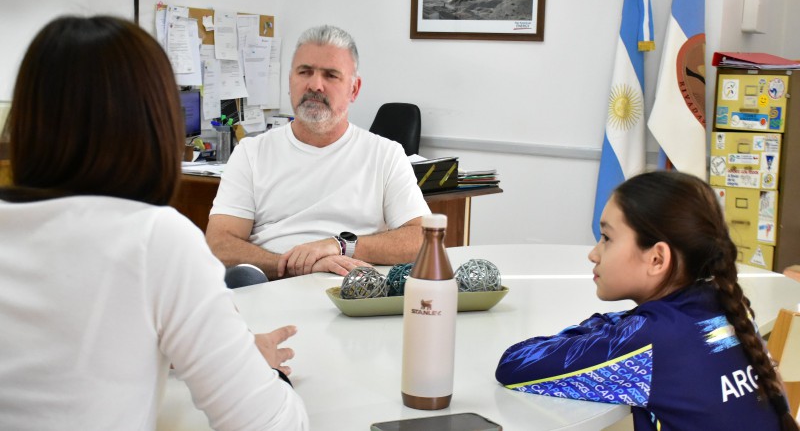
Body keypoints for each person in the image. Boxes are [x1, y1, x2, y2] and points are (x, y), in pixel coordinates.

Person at [0, 16, 308, 430]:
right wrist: (259, 369)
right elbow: (272, 424)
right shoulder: (154, 239)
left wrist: (191, 346)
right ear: (155, 122)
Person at [495, 171, 799, 431]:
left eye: (607, 238)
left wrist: (609, 325)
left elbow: (515, 364)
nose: (594, 253)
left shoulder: (650, 340)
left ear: (657, 259)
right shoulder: (727, 305)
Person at [205, 25, 430, 286]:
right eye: (305, 72)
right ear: (290, 81)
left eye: (331, 75)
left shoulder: (385, 154)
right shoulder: (251, 153)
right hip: (271, 286)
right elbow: (219, 244)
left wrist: (340, 245)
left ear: (354, 89)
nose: (315, 85)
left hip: (353, 290)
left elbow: (423, 239)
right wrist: (296, 265)